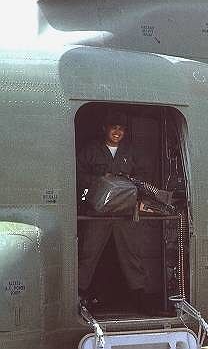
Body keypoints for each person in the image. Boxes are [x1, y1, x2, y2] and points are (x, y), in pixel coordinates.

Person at [77, 110, 152, 313]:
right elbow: (77, 173)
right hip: (98, 213)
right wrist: (101, 180)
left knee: (132, 255)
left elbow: (144, 177)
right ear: (105, 128)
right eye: (113, 127)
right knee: (88, 254)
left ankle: (140, 298)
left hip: (124, 213)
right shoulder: (91, 150)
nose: (117, 131)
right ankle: (80, 295)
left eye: (121, 128)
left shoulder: (131, 152)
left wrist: (133, 191)